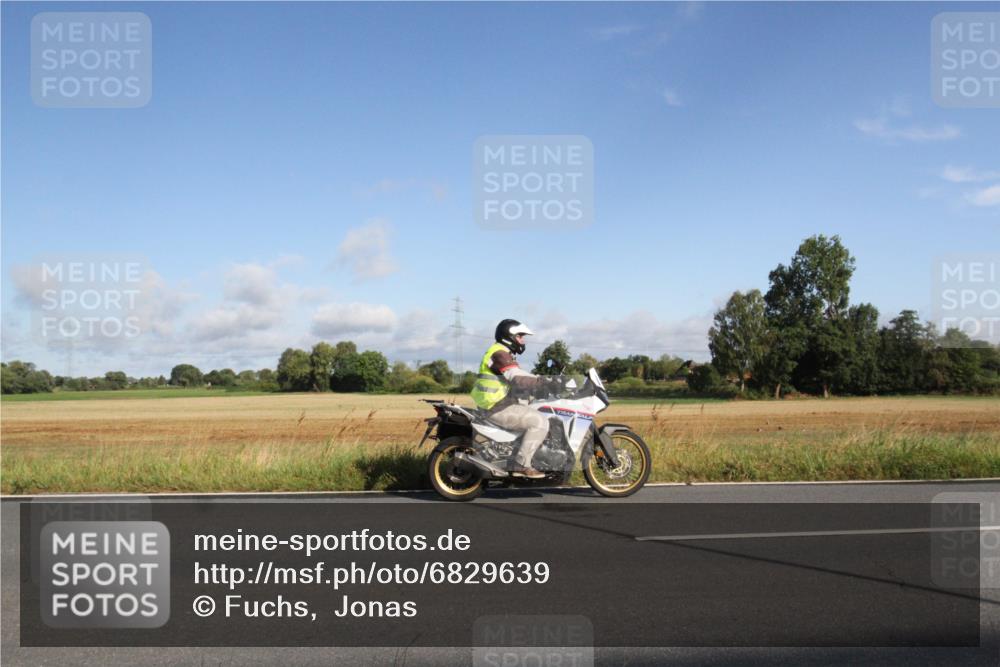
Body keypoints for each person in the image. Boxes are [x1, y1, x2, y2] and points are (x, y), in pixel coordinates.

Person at [471, 319, 557, 479]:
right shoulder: (499, 354)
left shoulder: (503, 353)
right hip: (496, 406)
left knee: (537, 409)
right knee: (540, 422)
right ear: (508, 336)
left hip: (498, 404)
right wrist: (544, 382)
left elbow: (520, 375)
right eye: (520, 336)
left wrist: (542, 382)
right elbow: (517, 377)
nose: (522, 341)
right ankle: (522, 464)